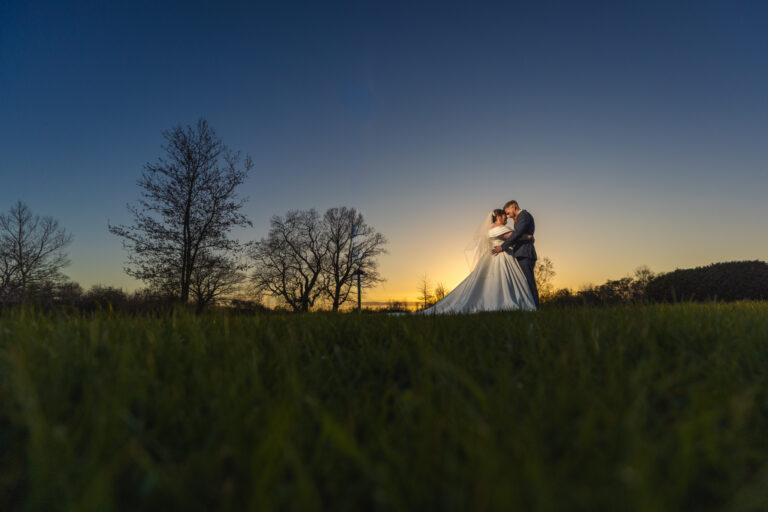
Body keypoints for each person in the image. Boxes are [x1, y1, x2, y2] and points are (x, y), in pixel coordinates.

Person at [421, 209, 536, 314]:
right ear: (499, 217)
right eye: (504, 216)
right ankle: (503, 302)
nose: (506, 217)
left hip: (490, 256)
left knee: (490, 282)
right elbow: (514, 237)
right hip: (501, 256)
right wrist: (529, 237)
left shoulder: (489, 229)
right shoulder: (499, 228)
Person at [492, 200, 539, 307]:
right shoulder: (517, 219)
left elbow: (517, 234)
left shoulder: (524, 215)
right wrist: (528, 237)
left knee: (529, 282)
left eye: (507, 213)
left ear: (513, 207)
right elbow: (518, 235)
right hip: (520, 253)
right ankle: (529, 306)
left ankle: (535, 307)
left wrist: (502, 247)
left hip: (525, 253)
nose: (507, 216)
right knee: (524, 283)